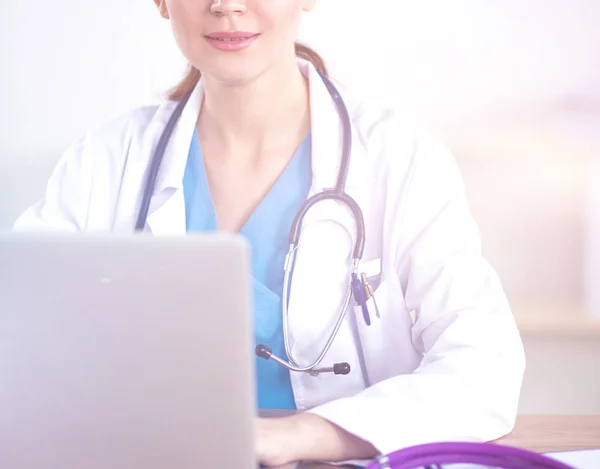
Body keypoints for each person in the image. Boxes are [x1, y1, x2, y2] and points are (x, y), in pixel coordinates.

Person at [14, 0, 526, 466]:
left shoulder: (398, 158)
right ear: (161, 2)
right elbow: (21, 343)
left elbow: (484, 370)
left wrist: (302, 435)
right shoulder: (105, 160)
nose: (226, 6)